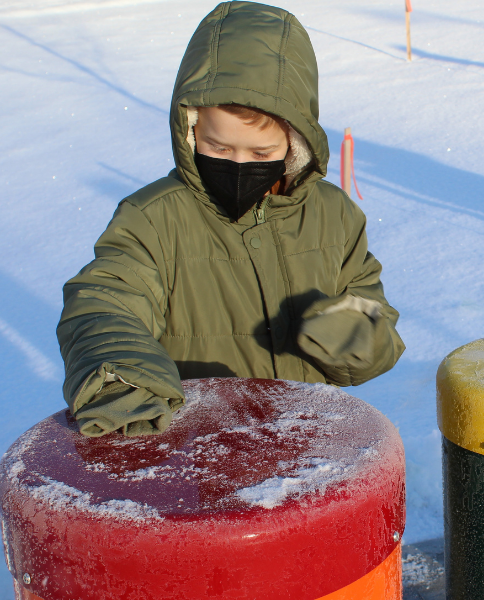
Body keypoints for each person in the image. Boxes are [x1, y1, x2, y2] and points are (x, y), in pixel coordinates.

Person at [57, 1, 405, 437]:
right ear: (191, 129)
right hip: (200, 452)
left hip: (309, 444)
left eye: (261, 154)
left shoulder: (334, 215)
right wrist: (123, 375)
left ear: (295, 144)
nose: (240, 165)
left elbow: (373, 315)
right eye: (219, 148)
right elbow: (105, 301)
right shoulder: (154, 218)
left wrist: (353, 334)